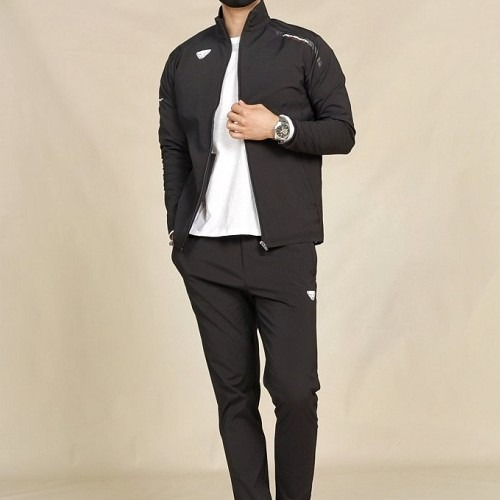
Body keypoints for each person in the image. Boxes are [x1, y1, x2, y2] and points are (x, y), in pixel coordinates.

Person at [158, 0, 355, 498]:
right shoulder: (184, 58)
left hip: (282, 249)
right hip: (207, 255)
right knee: (235, 397)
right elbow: (174, 147)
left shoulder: (302, 47)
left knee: (295, 391)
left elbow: (342, 131)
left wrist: (278, 128)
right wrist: (178, 227)